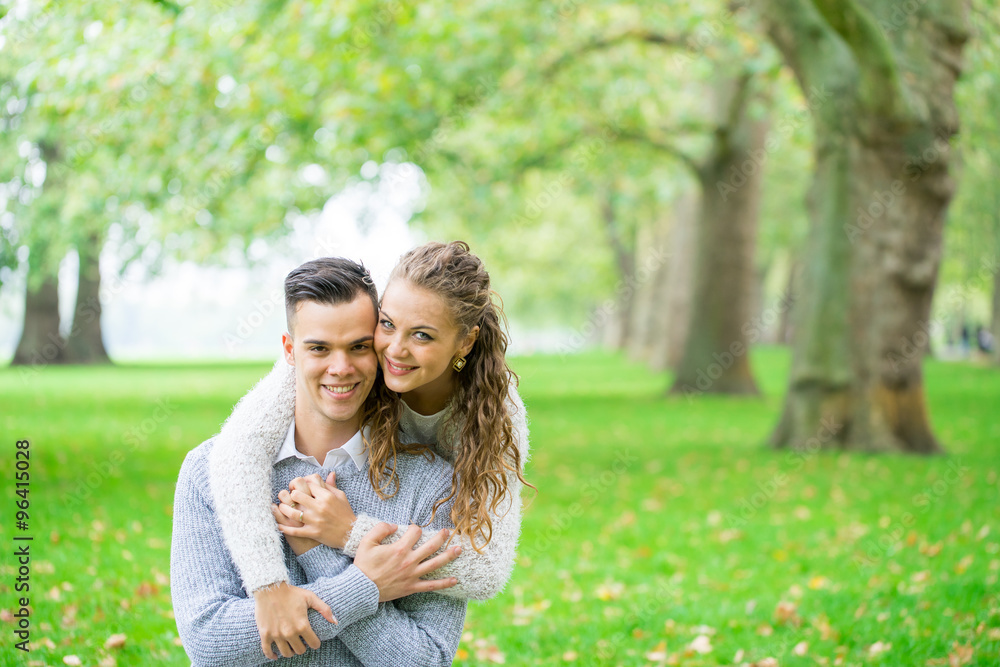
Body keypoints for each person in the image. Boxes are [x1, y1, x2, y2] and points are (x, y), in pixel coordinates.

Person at [208, 241, 531, 651]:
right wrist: (269, 585)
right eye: (388, 323)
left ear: (465, 342)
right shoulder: (350, 355)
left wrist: (349, 533)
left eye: (423, 335)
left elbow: (486, 567)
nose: (395, 350)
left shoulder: (496, 413)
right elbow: (236, 453)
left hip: (419, 504)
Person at [171, 257, 467, 666]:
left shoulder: (430, 483)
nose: (341, 368)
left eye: (359, 347)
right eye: (319, 348)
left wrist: (317, 553)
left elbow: (426, 661)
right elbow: (209, 641)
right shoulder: (209, 470)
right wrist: (364, 586)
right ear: (290, 350)